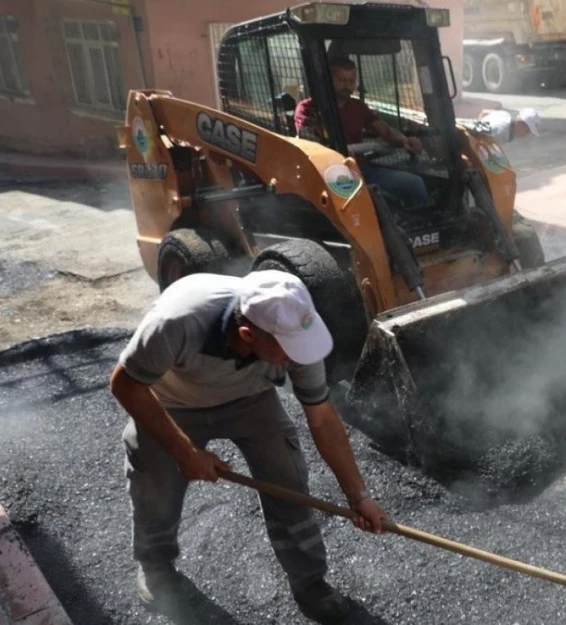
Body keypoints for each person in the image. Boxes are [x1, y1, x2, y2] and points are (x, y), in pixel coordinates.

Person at [108, 269, 390, 623]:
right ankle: (156, 566)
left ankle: (310, 582)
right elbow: (124, 385)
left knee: (286, 476)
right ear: (247, 334)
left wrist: (358, 496)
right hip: (171, 401)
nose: (298, 356)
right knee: (153, 474)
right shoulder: (176, 321)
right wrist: (185, 451)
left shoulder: (296, 334)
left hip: (249, 400)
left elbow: (322, 418)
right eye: (287, 351)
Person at [294, 56, 430, 209]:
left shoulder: (358, 107)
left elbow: (385, 131)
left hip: (361, 170)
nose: (347, 85)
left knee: (415, 183)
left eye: (351, 81)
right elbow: (308, 140)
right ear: (328, 80)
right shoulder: (308, 108)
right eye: (342, 80)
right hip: (329, 176)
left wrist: (405, 140)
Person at [474, 107, 542, 144]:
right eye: (528, 130)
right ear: (521, 123)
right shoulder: (503, 134)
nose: (527, 134)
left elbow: (484, 112)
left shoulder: (504, 114)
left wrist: (479, 121)